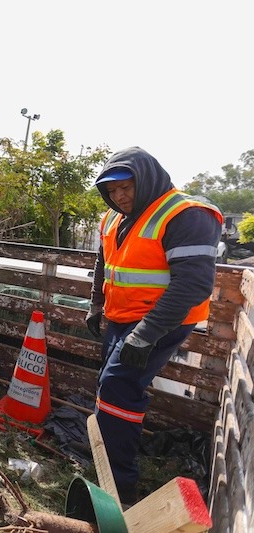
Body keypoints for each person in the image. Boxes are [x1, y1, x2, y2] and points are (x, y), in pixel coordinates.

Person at [85, 146, 222, 507]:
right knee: (110, 387)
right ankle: (106, 462)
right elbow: (103, 261)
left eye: (126, 187)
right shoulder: (112, 218)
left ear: (146, 179)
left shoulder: (186, 214)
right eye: (111, 191)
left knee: (118, 387)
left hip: (161, 321)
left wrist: (145, 334)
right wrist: (95, 304)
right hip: (120, 315)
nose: (119, 196)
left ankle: (120, 490)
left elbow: (193, 284)